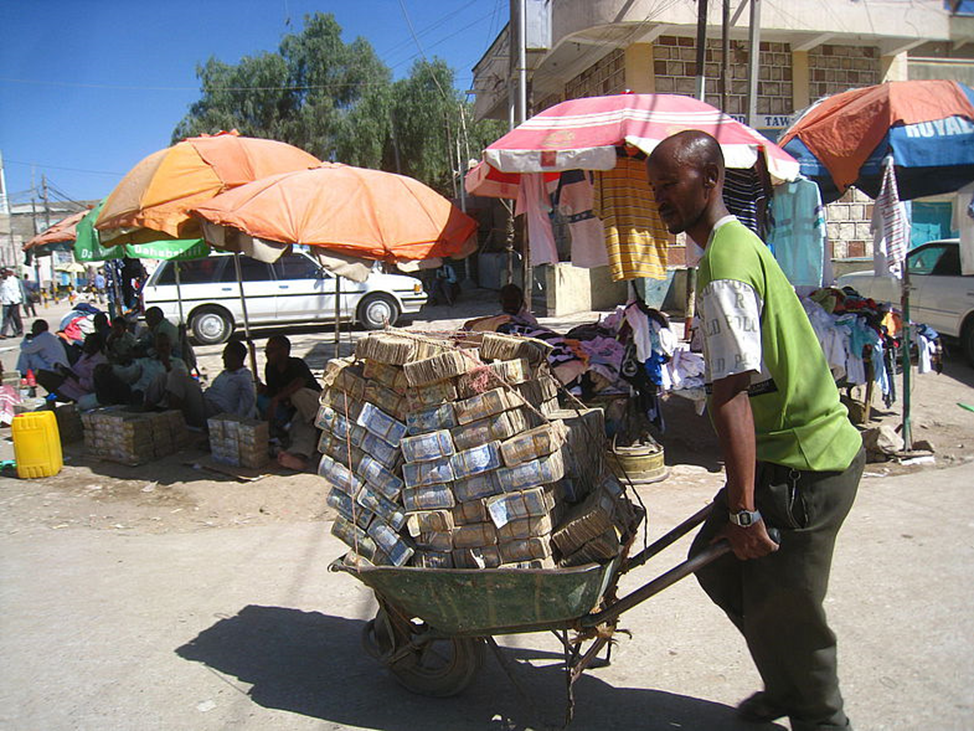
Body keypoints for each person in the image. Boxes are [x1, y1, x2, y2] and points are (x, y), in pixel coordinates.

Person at [646, 130, 864, 731]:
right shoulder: (731, 243)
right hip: (780, 454)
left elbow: (732, 394)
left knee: (789, 612)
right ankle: (787, 682)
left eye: (672, 184)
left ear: (710, 180)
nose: (660, 196)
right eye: (654, 187)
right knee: (716, 564)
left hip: (806, 465)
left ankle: (819, 716)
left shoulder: (725, 263)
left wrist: (744, 510)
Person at [258, 335, 321, 471]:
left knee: (297, 395)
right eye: (266, 351)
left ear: (284, 351)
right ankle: (299, 456)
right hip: (301, 412)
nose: (267, 355)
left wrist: (276, 399)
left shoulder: (296, 364)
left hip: (314, 404)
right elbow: (274, 391)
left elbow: (299, 384)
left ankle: (320, 427)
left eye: (271, 351)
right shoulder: (270, 368)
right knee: (302, 427)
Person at [162, 340, 256, 427]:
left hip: (216, 412)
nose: (223, 357)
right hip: (205, 402)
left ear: (235, 357)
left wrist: (231, 424)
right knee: (165, 377)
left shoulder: (244, 377)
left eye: (226, 355)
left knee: (178, 374)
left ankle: (172, 419)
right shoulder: (224, 373)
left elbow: (248, 403)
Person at [35, 333, 107, 406]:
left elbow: (90, 386)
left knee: (44, 376)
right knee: (40, 373)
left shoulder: (99, 362)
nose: (85, 345)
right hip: (69, 382)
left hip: (80, 391)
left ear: (96, 346)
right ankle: (55, 396)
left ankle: (62, 398)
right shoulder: (86, 355)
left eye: (88, 343)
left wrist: (71, 374)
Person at [0, 269, 24, 338]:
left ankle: (19, 331)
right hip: (5, 302)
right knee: (5, 318)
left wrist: (14, 299)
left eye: (4, 274)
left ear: (7, 274)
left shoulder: (13, 280)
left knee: (16, 317)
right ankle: (3, 333)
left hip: (14, 301)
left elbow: (15, 290)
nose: (2, 276)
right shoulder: (1, 281)